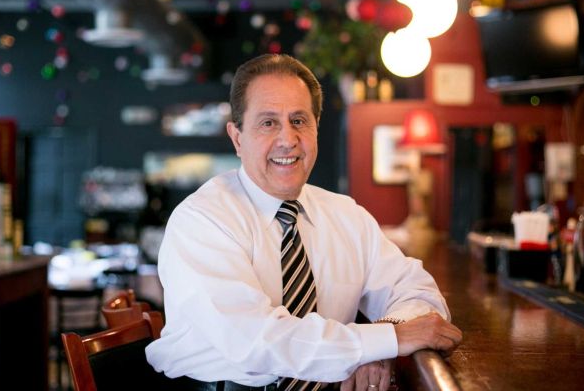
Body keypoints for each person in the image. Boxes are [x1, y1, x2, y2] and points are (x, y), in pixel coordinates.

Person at [146, 54, 462, 391]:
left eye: (299, 120)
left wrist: (385, 339)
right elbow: (256, 340)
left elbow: (420, 293)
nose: (287, 139)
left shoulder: (346, 215)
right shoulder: (202, 221)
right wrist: (387, 339)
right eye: (268, 123)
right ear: (237, 138)